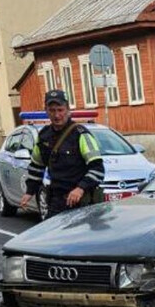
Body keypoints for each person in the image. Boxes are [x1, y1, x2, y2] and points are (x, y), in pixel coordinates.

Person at [19, 89, 105, 219]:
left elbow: (98, 168)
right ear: (46, 111)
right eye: (52, 110)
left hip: (82, 202)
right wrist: (29, 192)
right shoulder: (43, 136)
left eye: (60, 110)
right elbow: (37, 167)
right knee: (53, 238)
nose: (57, 115)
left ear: (68, 110)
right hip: (56, 202)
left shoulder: (81, 134)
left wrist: (80, 188)